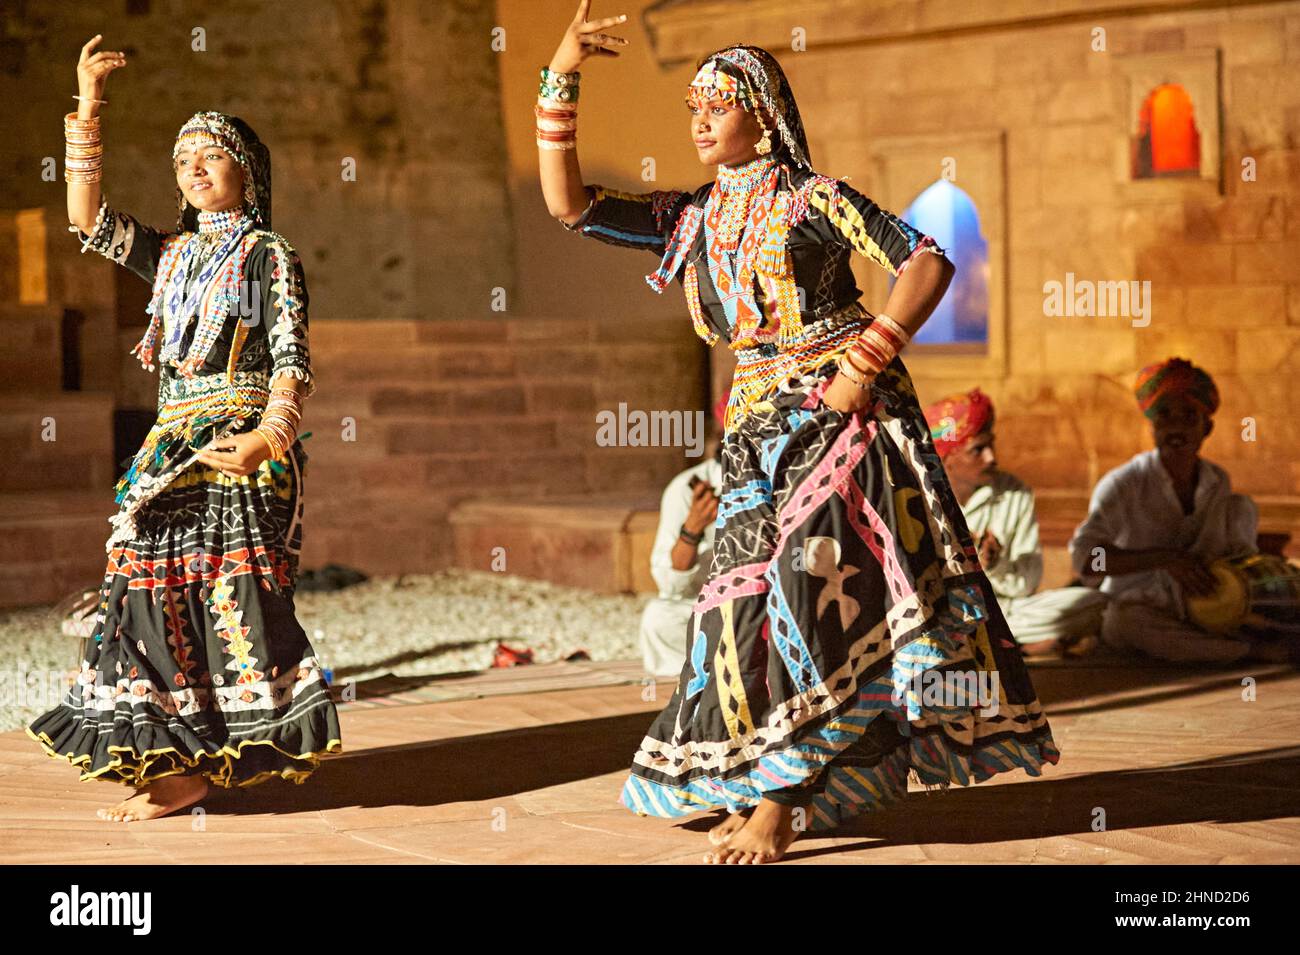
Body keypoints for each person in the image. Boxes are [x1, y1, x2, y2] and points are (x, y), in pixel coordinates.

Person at [537, 3, 1059, 864]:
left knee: (804, 592)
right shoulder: (694, 217)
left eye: (720, 101)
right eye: (692, 105)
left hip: (840, 417)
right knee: (737, 611)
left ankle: (780, 801)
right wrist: (563, 75)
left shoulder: (817, 199)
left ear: (764, 113)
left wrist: (865, 361)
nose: (701, 118)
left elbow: (926, 259)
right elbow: (571, 206)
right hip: (753, 433)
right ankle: (771, 779)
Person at [26, 36, 341, 822]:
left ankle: (198, 764)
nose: (194, 169)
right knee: (143, 592)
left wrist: (272, 435)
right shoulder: (169, 257)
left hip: (238, 437)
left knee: (224, 594)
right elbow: (86, 219)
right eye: (181, 160)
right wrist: (89, 107)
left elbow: (292, 352)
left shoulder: (269, 254)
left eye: (211, 155)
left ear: (248, 172)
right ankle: (176, 763)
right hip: (169, 445)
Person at [1069, 357, 1285, 664]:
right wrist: (1163, 559)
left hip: (1204, 604)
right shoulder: (1125, 483)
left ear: (1206, 427)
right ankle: (1248, 653)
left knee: (1241, 506)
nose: (1176, 427)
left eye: (1189, 417)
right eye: (1165, 416)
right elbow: (1087, 561)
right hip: (1141, 606)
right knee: (1122, 623)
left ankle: (1228, 633)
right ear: (1153, 426)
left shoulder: (1216, 481)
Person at [926, 388, 1106, 655]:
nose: (992, 457)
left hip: (1005, 611)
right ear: (947, 458)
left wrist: (995, 565)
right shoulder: (921, 496)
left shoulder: (1015, 492)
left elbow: (1028, 583)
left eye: (991, 444)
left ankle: (998, 644)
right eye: (978, 450)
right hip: (941, 611)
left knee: (1095, 603)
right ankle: (1014, 647)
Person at [639, 393, 727, 676]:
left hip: (767, 604)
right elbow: (670, 585)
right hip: (714, 608)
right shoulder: (685, 489)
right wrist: (692, 530)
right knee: (658, 620)